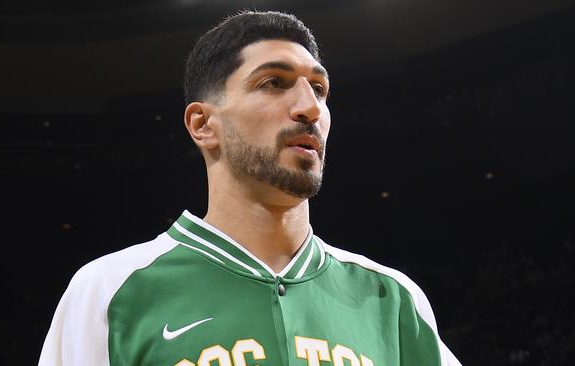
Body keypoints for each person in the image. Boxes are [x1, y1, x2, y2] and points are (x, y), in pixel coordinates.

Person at [39, 10, 461, 366]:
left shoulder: (394, 299)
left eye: (319, 88)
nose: (310, 107)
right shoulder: (109, 291)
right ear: (203, 125)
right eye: (273, 83)